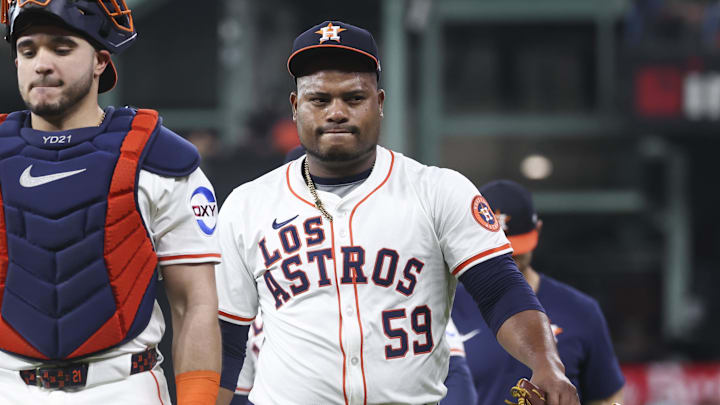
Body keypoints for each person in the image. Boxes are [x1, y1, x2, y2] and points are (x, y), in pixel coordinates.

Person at [215, 20, 579, 405]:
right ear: (295, 106)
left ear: (380, 103)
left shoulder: (437, 191)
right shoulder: (247, 204)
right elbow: (226, 340)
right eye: (319, 100)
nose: (336, 112)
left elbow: (500, 289)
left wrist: (546, 364)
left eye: (354, 98)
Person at [0, 1, 221, 404]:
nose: (41, 64)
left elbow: (195, 305)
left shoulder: (159, 159)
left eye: (62, 49)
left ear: (101, 60)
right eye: (28, 51)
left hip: (122, 387)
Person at [452, 180, 625, 405]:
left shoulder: (581, 310)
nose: (506, 255)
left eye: (515, 248)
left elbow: (608, 397)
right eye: (494, 246)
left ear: (538, 230)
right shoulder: (446, 310)